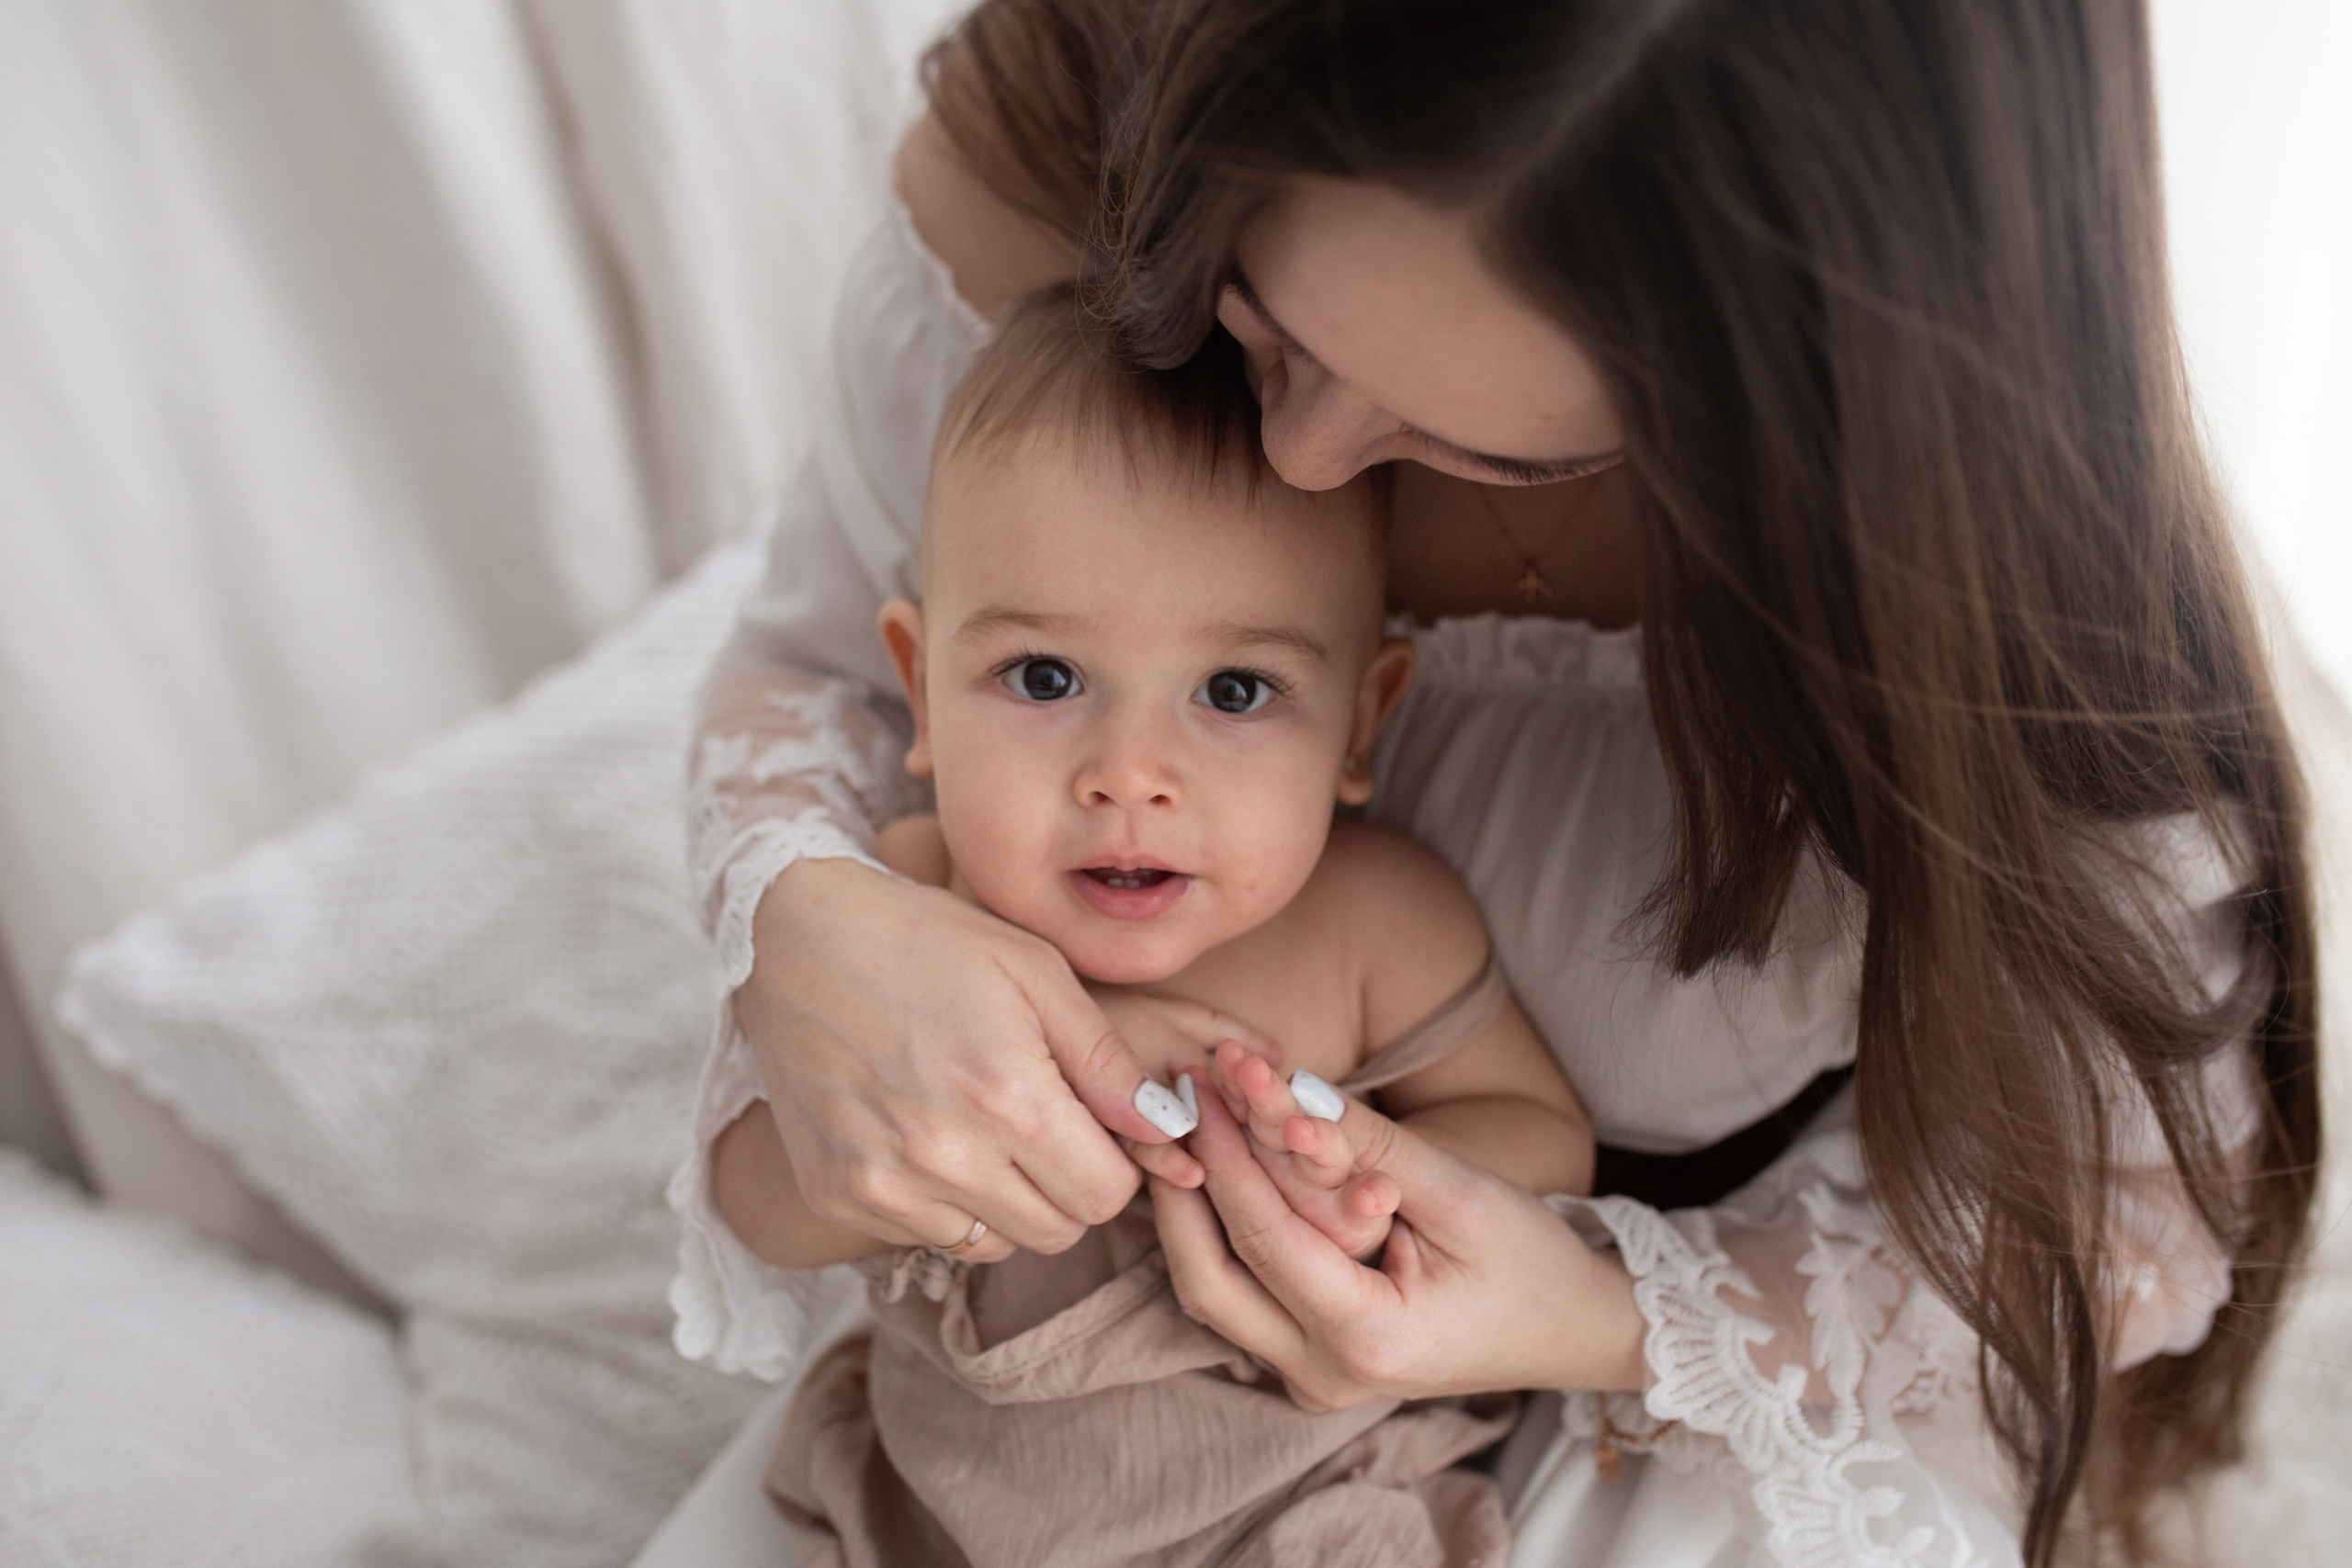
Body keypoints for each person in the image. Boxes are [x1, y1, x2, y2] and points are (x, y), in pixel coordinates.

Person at [668, 2, 2322, 1563]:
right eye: (1261, 320)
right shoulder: (1053, 154)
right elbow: (818, 678)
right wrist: (804, 930)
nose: (1303, 467)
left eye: (1498, 449)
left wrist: (1589, 1301)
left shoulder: (2011, 622)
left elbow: (2123, 1222)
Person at [721, 291, 1593, 1566]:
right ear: (920, 688)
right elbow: (757, 1196)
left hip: (1302, 1499)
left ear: (1359, 725)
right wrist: (981, 1088)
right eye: (1044, 678)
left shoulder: (1374, 920)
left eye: (1235, 691)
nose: (1130, 773)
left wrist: (1364, 1178)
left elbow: (1546, 1140)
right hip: (934, 1510)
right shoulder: (913, 908)